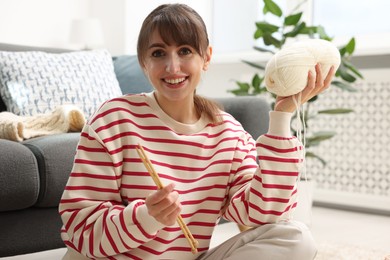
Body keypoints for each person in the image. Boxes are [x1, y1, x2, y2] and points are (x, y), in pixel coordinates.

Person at [59, 3, 335, 260]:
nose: (173, 67)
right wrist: (145, 217)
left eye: (185, 51)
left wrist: (282, 117)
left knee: (296, 239)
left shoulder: (228, 134)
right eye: (158, 54)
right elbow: (79, 229)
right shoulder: (114, 118)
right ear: (144, 63)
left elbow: (259, 218)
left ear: (206, 57)